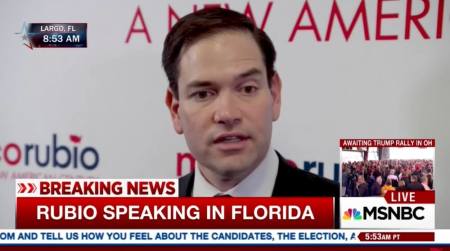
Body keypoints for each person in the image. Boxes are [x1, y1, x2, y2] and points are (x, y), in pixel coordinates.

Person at [161, 8, 339, 226]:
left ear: (274, 95)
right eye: (203, 94)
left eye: (247, 89)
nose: (228, 114)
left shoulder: (350, 216)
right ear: (175, 110)